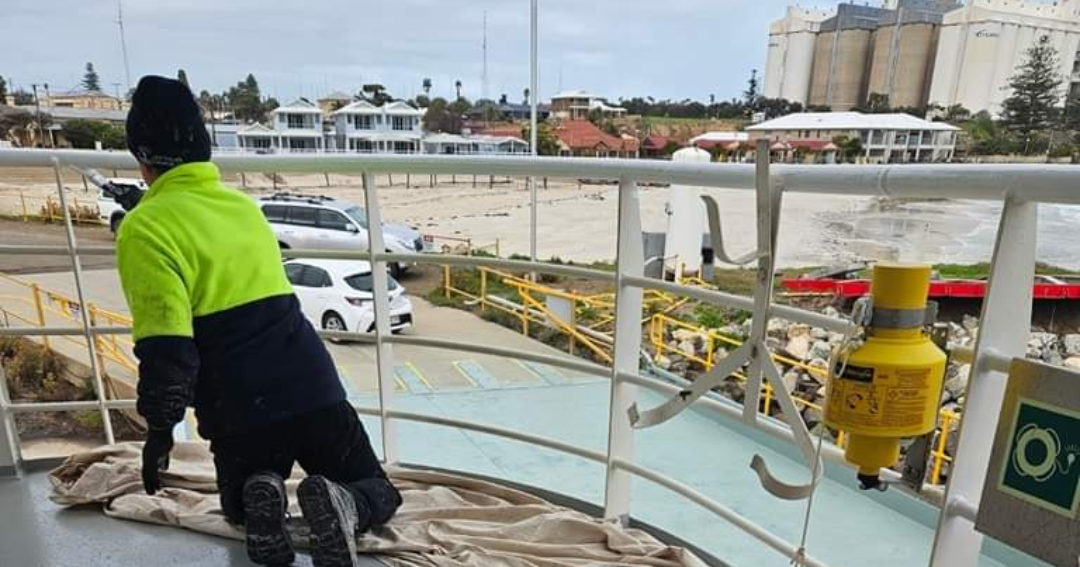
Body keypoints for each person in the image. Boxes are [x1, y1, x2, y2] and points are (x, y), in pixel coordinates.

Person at [117, 75, 400, 567]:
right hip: (310, 385)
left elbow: (168, 351)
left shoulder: (145, 227)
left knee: (241, 506)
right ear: (205, 147)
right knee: (377, 490)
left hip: (238, 409)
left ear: (140, 157)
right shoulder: (244, 209)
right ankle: (347, 505)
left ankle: (259, 492)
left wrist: (159, 433)